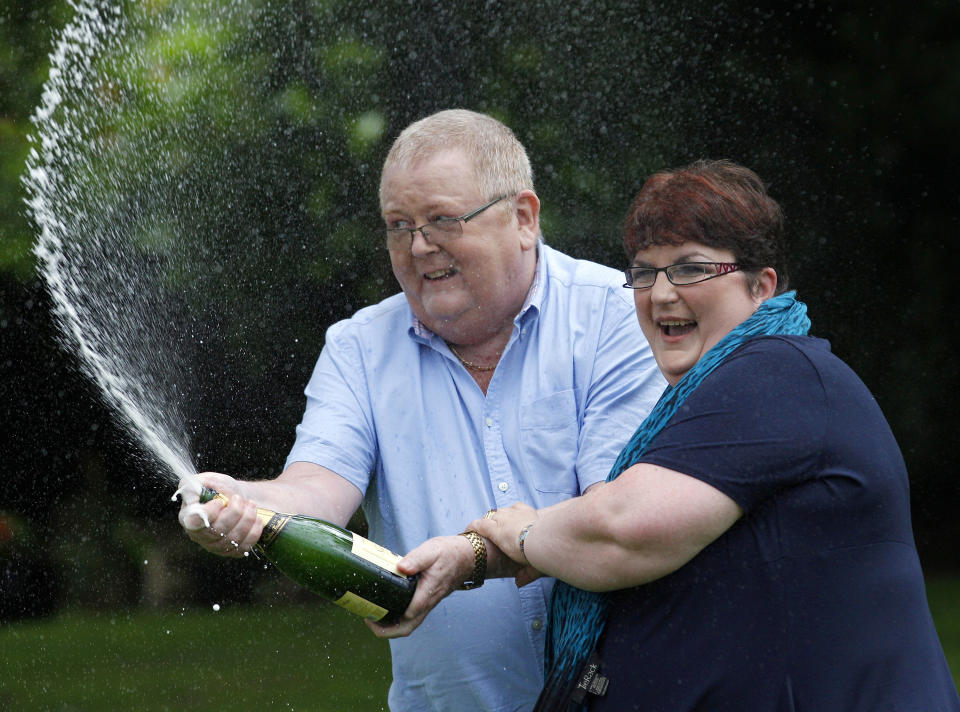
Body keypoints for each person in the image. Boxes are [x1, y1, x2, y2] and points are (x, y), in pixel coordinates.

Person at [178, 109, 666, 711]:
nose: (418, 245)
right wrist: (248, 508)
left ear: (523, 218)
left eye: (442, 219)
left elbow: (614, 518)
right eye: (398, 225)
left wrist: (473, 556)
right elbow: (317, 489)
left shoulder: (617, 317)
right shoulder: (357, 347)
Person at [456, 159, 960, 710]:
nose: (662, 294)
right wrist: (485, 555)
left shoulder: (776, 371)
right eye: (645, 272)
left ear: (761, 286)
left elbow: (621, 533)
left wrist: (524, 533)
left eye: (691, 269)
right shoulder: (720, 393)